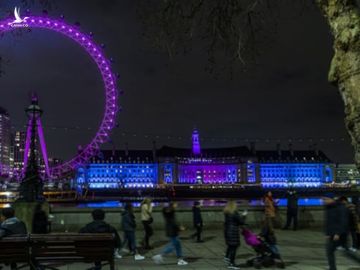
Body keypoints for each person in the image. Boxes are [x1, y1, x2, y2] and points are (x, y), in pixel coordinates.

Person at [324, 196, 348, 270]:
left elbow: (342, 221)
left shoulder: (339, 207)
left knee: (330, 251)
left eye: (325, 199)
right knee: (330, 251)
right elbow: (329, 222)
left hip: (339, 234)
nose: (324, 201)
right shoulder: (329, 207)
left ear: (331, 199)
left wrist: (337, 233)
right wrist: (328, 233)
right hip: (333, 234)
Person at [223, 200, 247, 270]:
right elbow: (241, 222)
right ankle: (232, 263)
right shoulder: (234, 213)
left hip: (227, 231)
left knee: (230, 245)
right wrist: (244, 215)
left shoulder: (227, 213)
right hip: (233, 231)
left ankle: (227, 257)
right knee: (234, 247)